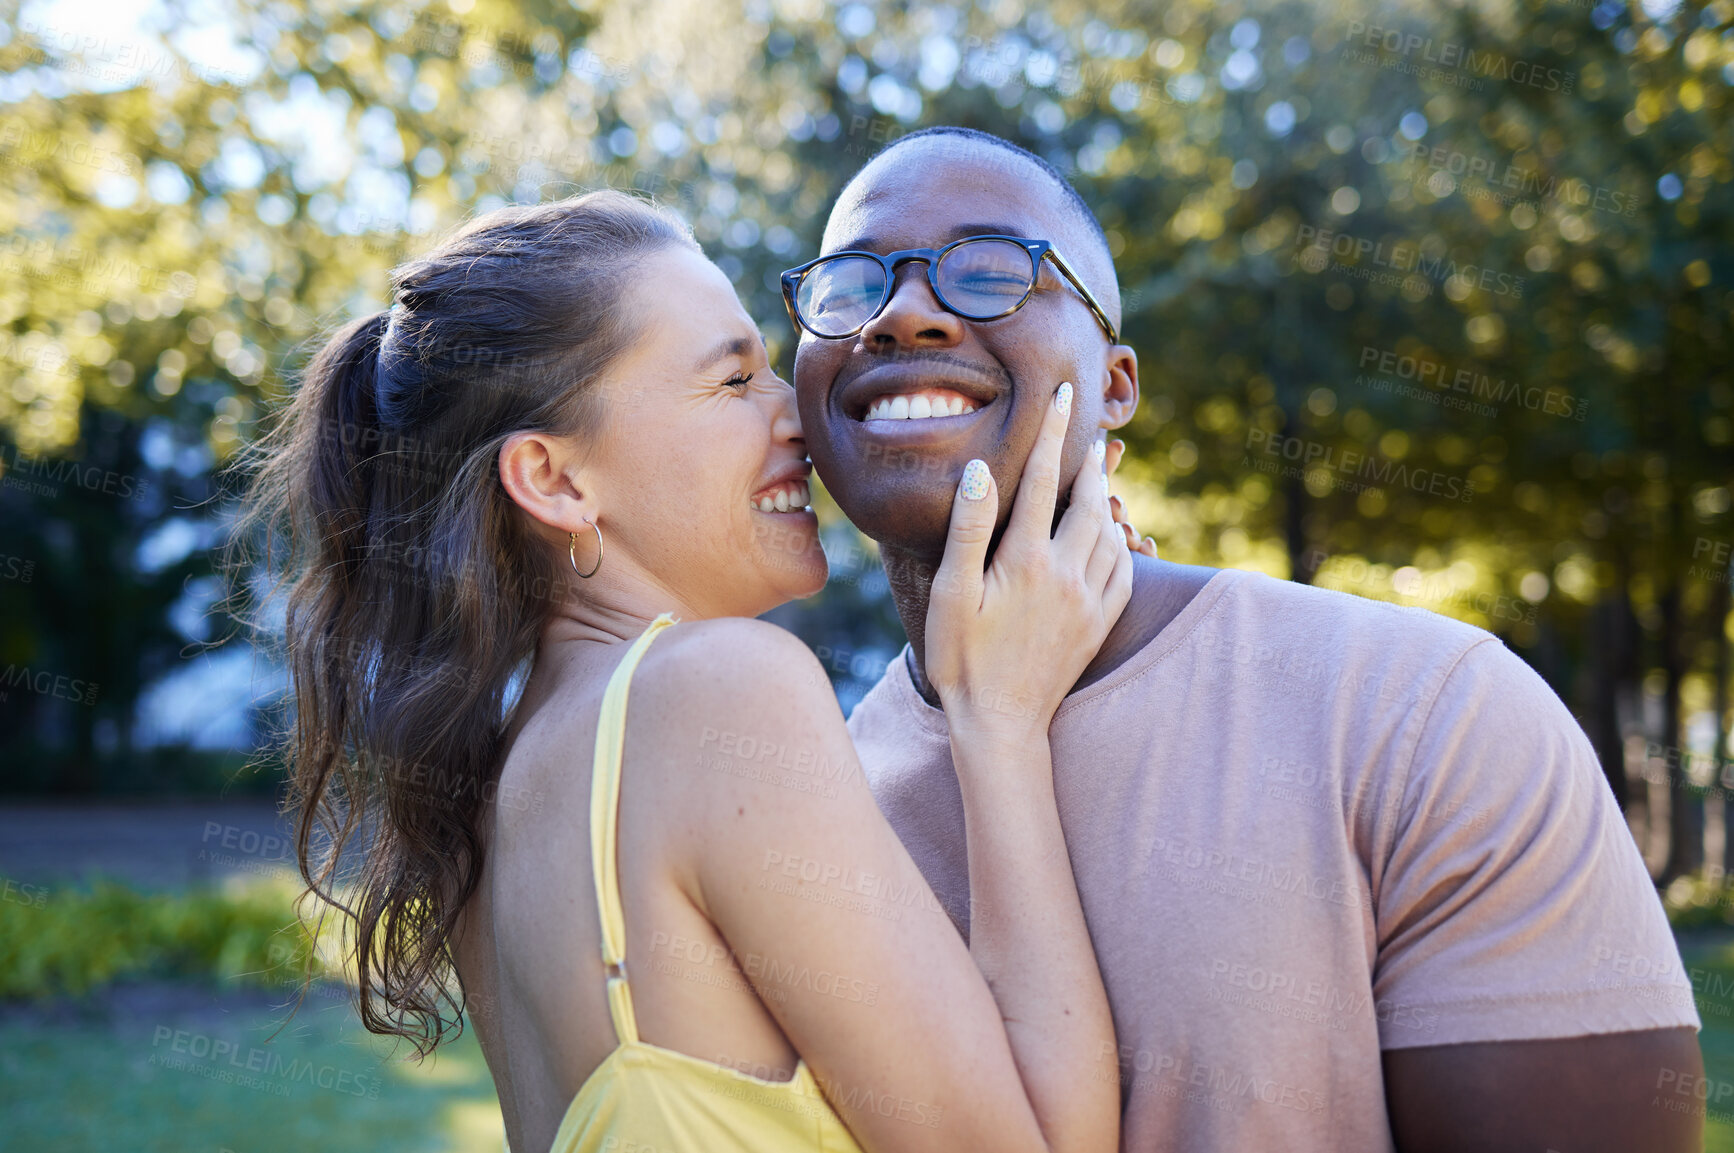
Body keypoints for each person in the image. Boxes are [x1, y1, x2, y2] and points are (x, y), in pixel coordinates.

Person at [785, 126, 1704, 1152]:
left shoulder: (1427, 710)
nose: (904, 311)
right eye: (850, 281)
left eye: (994, 270)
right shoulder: (802, 813)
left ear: (1117, 385)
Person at [242, 190, 1146, 1153]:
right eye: (731, 381)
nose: (796, 413)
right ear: (555, 479)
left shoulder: (502, 794)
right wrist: (997, 714)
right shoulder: (715, 690)